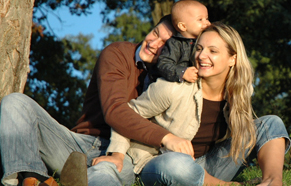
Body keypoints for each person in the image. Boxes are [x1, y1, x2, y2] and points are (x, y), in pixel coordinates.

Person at [94, 22, 291, 186]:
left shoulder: (240, 92)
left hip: (207, 166)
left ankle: (272, 182)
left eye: (213, 51)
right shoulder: (172, 88)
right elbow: (128, 113)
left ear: (233, 59)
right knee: (179, 165)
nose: (202, 56)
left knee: (271, 123)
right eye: (199, 48)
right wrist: (117, 154)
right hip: (159, 164)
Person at [0, 15, 175, 186]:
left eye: (164, 45)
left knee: (105, 172)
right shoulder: (118, 53)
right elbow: (115, 110)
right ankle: (35, 178)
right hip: (80, 143)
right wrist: (165, 138)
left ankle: (81, 179)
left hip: (123, 153)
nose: (153, 43)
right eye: (155, 33)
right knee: (16, 102)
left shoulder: (173, 81)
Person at [153, 0, 210, 83]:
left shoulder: (205, 40)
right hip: (176, 85)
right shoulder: (175, 43)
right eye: (200, 19)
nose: (207, 23)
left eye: (207, 18)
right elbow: (163, 64)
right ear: (183, 26)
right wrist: (182, 72)